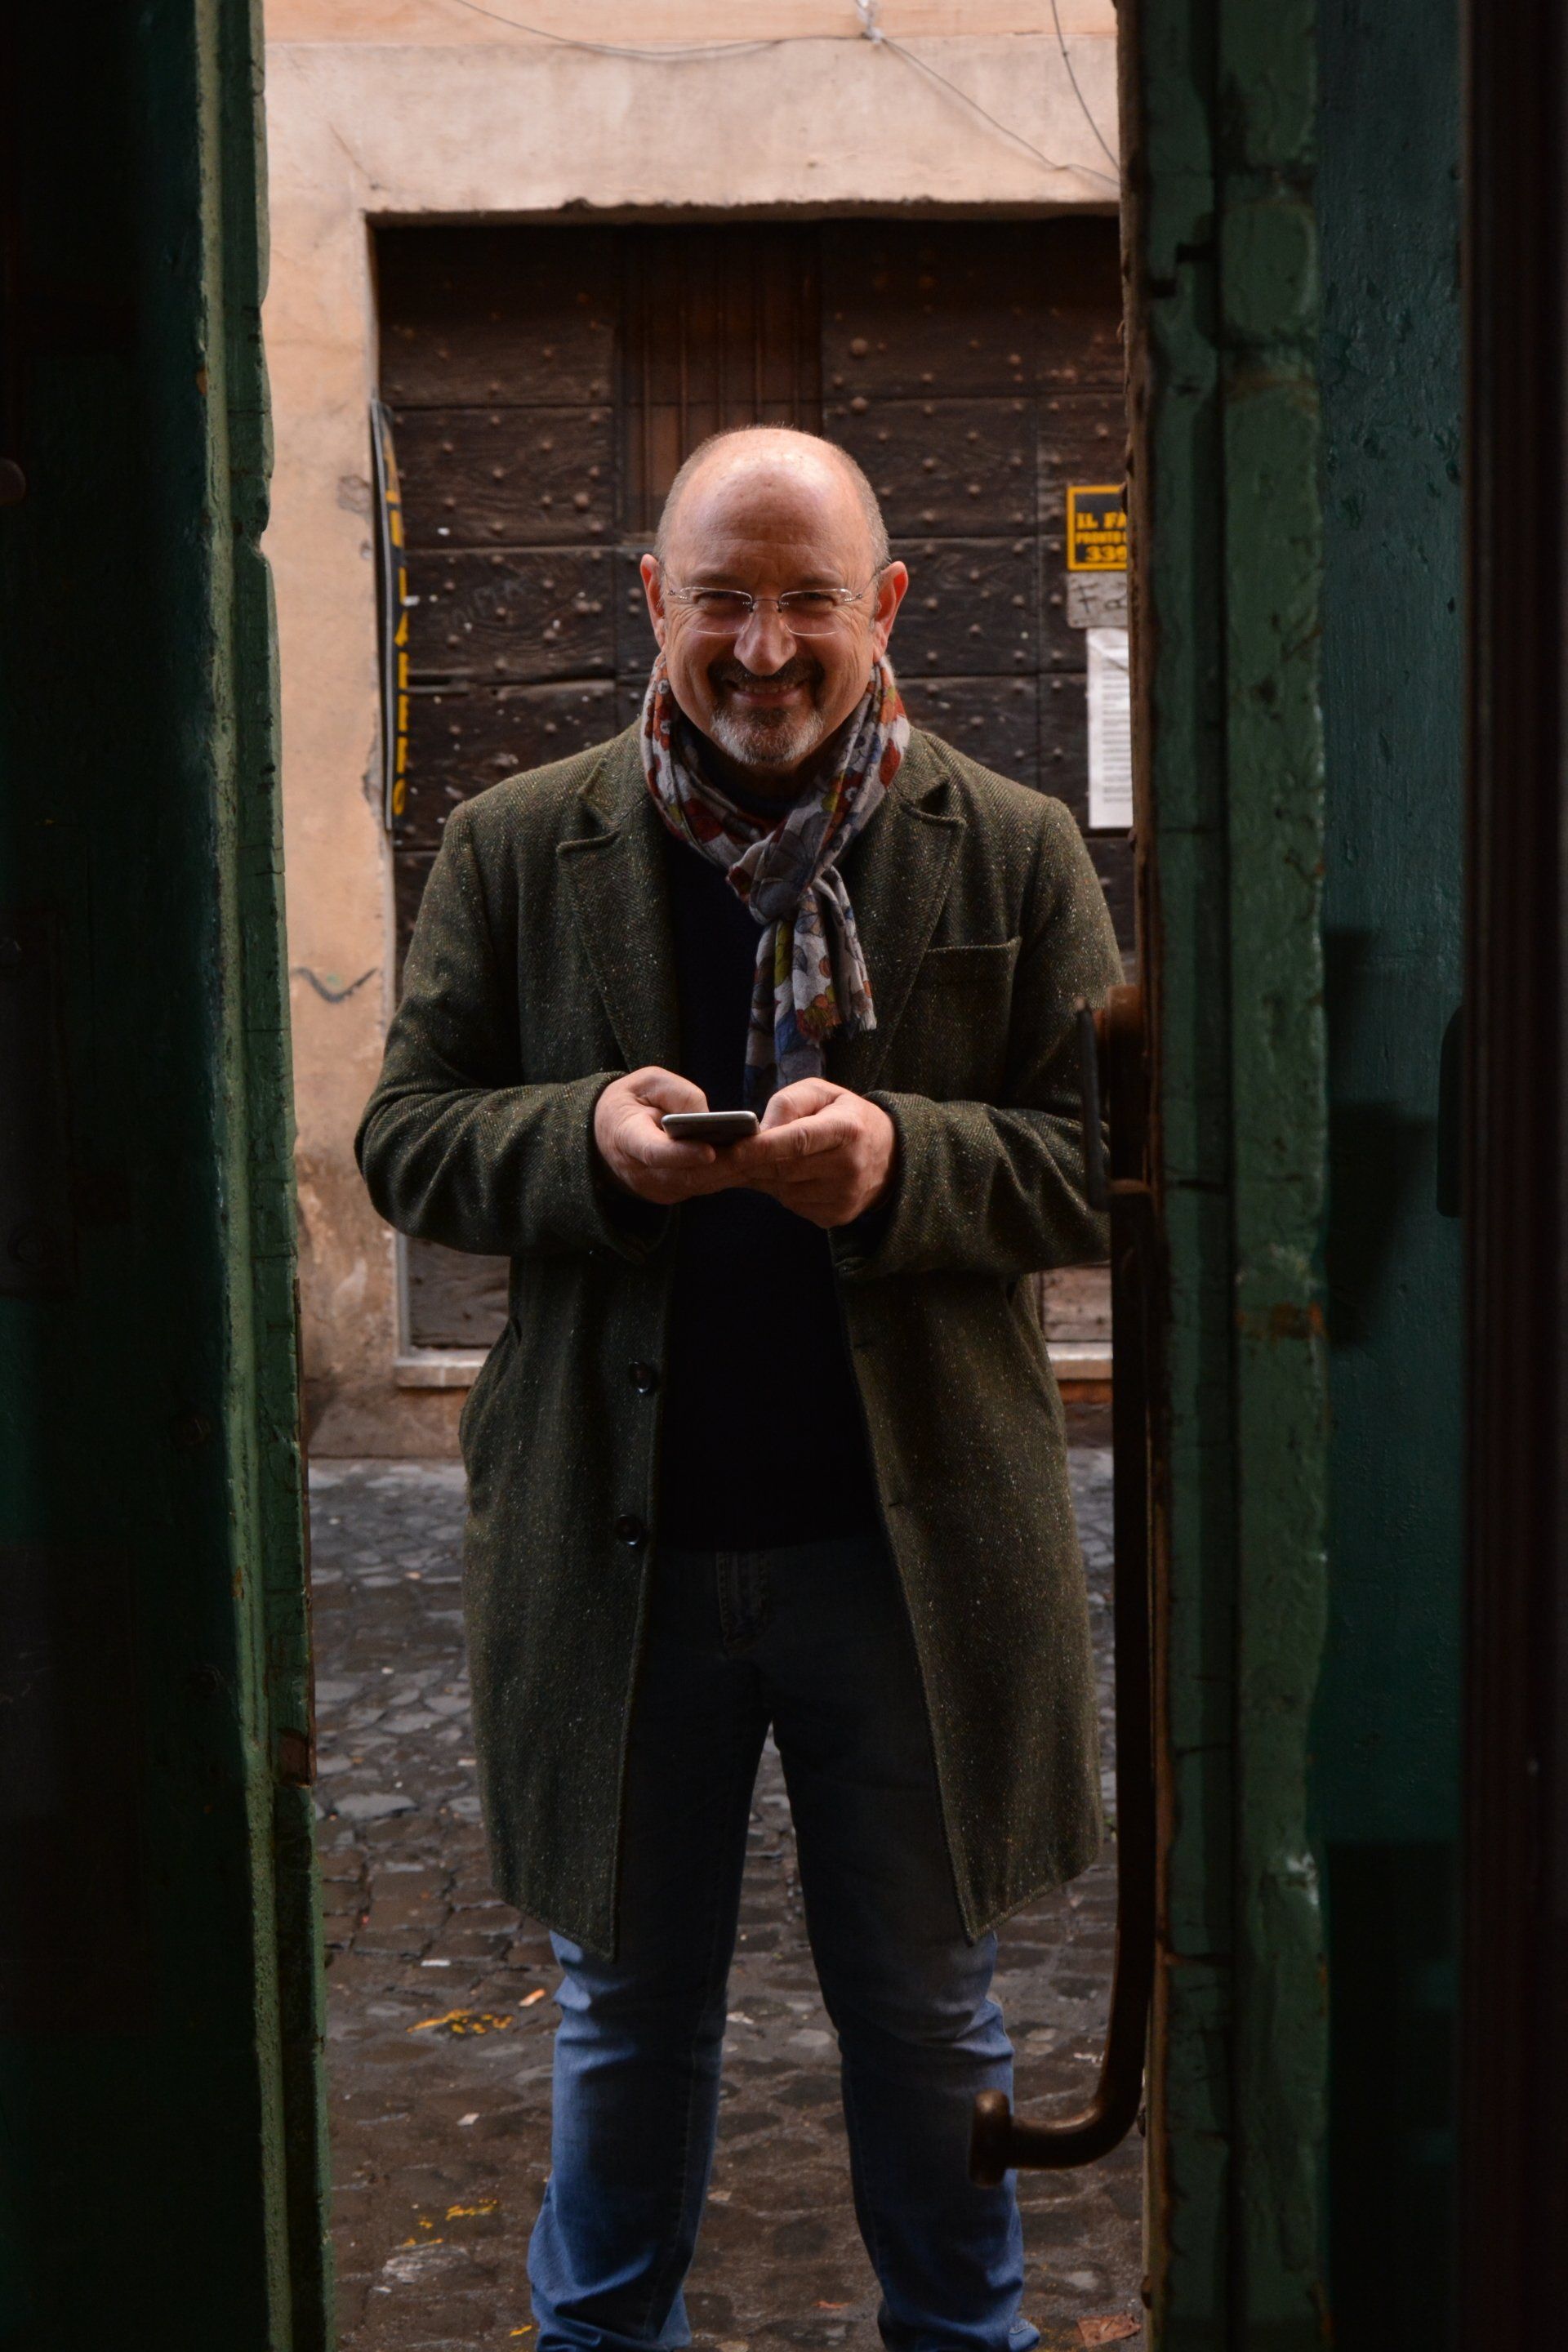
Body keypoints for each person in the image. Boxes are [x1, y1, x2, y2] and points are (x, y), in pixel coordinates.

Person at [357, 426, 1123, 2352]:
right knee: (626, 2012)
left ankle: (964, 2339)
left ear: (886, 605)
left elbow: (1099, 1167)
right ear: (654, 602)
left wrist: (905, 1162)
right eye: (721, 600)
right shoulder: (517, 843)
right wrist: (581, 1144)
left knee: (927, 2011)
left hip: (909, 1555)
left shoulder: (1014, 844)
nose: (763, 649)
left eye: (806, 602)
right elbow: (407, 1137)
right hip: (619, 1554)